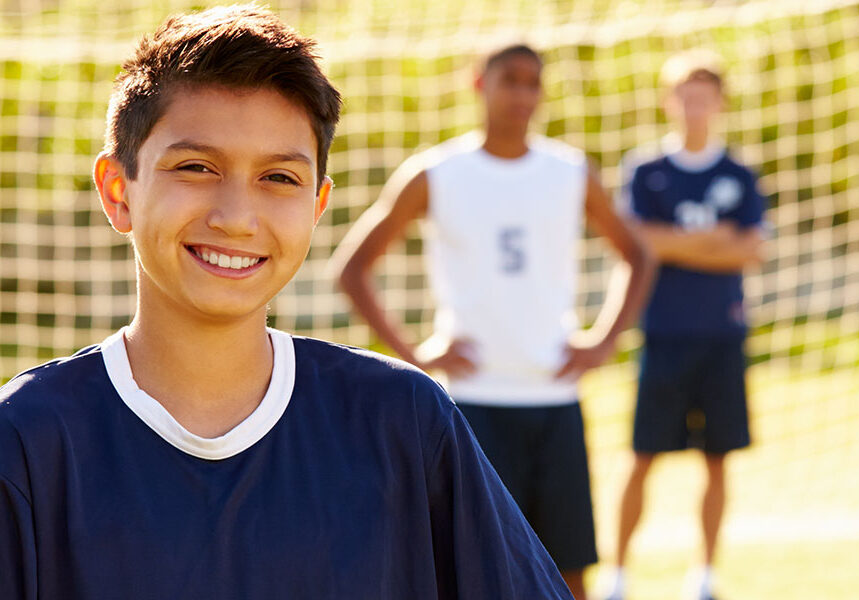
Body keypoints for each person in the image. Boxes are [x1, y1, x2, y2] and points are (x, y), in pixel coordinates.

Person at [0, 6, 573, 599]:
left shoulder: (402, 421)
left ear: (318, 206)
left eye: (279, 178)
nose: (238, 218)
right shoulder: (28, 441)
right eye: (196, 167)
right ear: (118, 191)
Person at [331, 44, 655, 600]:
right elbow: (353, 269)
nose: (523, 94)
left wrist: (602, 341)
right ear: (479, 83)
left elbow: (639, 255)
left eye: (534, 83)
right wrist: (415, 354)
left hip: (555, 400)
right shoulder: (438, 172)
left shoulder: (569, 170)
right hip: (472, 405)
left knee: (568, 569)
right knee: (471, 570)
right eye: (510, 80)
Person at [605, 50, 766, 600]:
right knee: (642, 455)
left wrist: (673, 243)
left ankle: (703, 574)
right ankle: (618, 573)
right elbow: (638, 243)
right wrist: (709, 241)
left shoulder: (739, 174)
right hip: (664, 334)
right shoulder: (645, 171)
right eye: (684, 95)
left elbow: (751, 248)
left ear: (719, 103)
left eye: (705, 96)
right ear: (668, 101)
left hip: (721, 336)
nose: (694, 106)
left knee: (717, 460)